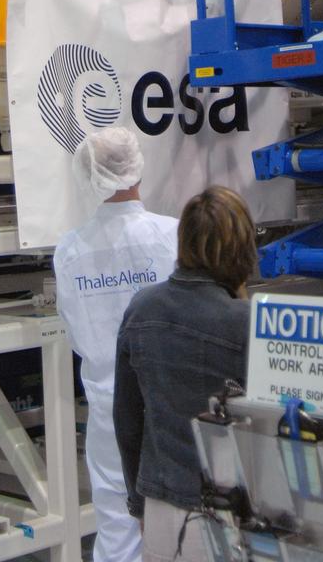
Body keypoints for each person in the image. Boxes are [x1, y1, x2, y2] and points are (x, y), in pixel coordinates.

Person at [54, 128, 177, 562]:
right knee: (181, 522)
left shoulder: (68, 251)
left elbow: (73, 328)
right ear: (138, 168)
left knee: (116, 522)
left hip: (107, 405)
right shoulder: (173, 237)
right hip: (170, 403)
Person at [114, 185, 256, 562]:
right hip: (229, 513)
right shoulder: (247, 322)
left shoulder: (141, 308)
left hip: (160, 506)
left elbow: (127, 420)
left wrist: (138, 503)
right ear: (241, 247)